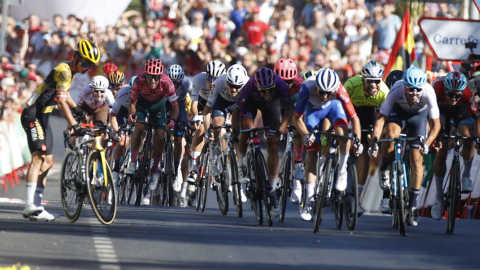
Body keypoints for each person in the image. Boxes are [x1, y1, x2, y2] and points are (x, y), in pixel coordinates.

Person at [20, 39, 101, 221]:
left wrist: (77, 110)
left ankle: (38, 207)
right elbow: (62, 102)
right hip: (33, 114)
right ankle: (28, 205)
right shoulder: (64, 71)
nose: (87, 67)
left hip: (44, 115)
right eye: (86, 63)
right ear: (76, 57)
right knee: (38, 158)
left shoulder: (70, 70)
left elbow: (65, 98)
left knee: (48, 162)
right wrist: (73, 124)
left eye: (91, 65)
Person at [369, 67, 441, 227]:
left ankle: (413, 207)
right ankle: (386, 167)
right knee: (391, 135)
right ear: (404, 86)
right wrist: (375, 140)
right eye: (410, 90)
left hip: (418, 118)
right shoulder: (396, 89)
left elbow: (436, 125)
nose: (414, 93)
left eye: (417, 90)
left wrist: (427, 144)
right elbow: (381, 120)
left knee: (416, 159)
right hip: (398, 114)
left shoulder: (429, 92)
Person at [294, 68, 360, 221]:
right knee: (311, 153)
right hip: (313, 113)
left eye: (328, 93)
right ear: (315, 87)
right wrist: (306, 135)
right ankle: (310, 200)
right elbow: (297, 118)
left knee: (344, 135)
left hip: (334, 109)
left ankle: (342, 170)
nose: (324, 96)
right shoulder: (307, 86)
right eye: (321, 92)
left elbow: (354, 119)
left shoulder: (340, 89)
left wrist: (356, 139)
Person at [232, 67, 293, 217]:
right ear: (257, 86)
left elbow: (289, 110)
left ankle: (272, 190)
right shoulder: (249, 86)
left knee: (273, 145)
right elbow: (237, 112)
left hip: (271, 106)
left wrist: (281, 129)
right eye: (263, 91)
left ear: (275, 86)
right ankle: (242, 165)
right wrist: (235, 131)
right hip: (250, 104)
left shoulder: (281, 86)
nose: (267, 93)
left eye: (269, 90)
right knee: (246, 130)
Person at [125, 59, 179, 202]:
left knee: (160, 134)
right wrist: (132, 114)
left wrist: (172, 120)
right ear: (145, 75)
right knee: (140, 126)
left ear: (161, 76)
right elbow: (132, 102)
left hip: (158, 106)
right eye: (150, 76)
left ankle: (155, 170)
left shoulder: (167, 82)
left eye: (156, 77)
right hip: (142, 104)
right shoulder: (138, 80)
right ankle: (133, 162)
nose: (153, 80)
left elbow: (175, 105)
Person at [430, 71, 480, 220]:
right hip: (440, 112)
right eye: (450, 94)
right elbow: (430, 119)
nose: (453, 98)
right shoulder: (436, 89)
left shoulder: (466, 95)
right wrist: (434, 138)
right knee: (442, 151)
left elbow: (477, 117)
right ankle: (439, 198)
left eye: (457, 95)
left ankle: (465, 176)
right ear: (444, 89)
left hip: (460, 111)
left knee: (468, 135)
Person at [343, 61, 389, 215]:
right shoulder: (351, 85)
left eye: (377, 81)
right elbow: (337, 108)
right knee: (340, 138)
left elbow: (382, 120)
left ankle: (357, 199)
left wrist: (375, 139)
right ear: (363, 80)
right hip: (349, 111)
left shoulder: (384, 92)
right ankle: (335, 169)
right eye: (370, 81)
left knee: (364, 157)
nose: (374, 85)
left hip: (368, 114)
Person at [203, 64, 250, 202]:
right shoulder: (219, 82)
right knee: (217, 125)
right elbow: (207, 110)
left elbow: (255, 110)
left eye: (237, 86)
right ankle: (213, 156)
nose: (234, 89)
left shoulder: (248, 84)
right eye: (231, 85)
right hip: (222, 103)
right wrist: (207, 131)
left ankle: (241, 184)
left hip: (240, 105)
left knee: (242, 135)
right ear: (226, 81)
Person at [272, 58, 306, 205]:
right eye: (283, 81)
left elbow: (303, 107)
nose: (286, 84)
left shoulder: (300, 83)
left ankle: (298, 164)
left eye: (289, 81)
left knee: (296, 124)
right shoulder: (270, 81)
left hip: (294, 99)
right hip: (277, 101)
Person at [186, 60, 226, 184]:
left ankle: (220, 164)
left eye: (216, 80)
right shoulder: (198, 79)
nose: (212, 83)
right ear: (205, 77)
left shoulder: (225, 82)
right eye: (210, 79)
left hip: (218, 105)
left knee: (223, 132)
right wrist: (197, 116)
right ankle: (194, 168)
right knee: (201, 129)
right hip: (203, 104)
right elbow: (194, 105)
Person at [166, 64, 193, 207]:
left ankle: (176, 169)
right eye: (172, 83)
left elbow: (191, 104)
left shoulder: (187, 84)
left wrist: (188, 120)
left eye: (177, 83)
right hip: (165, 103)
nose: (175, 86)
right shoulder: (162, 82)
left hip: (180, 104)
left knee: (179, 139)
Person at [110, 76, 136, 190]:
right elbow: (113, 115)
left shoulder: (146, 94)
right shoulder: (122, 93)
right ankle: (116, 170)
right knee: (121, 142)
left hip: (136, 112)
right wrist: (117, 131)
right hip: (122, 113)